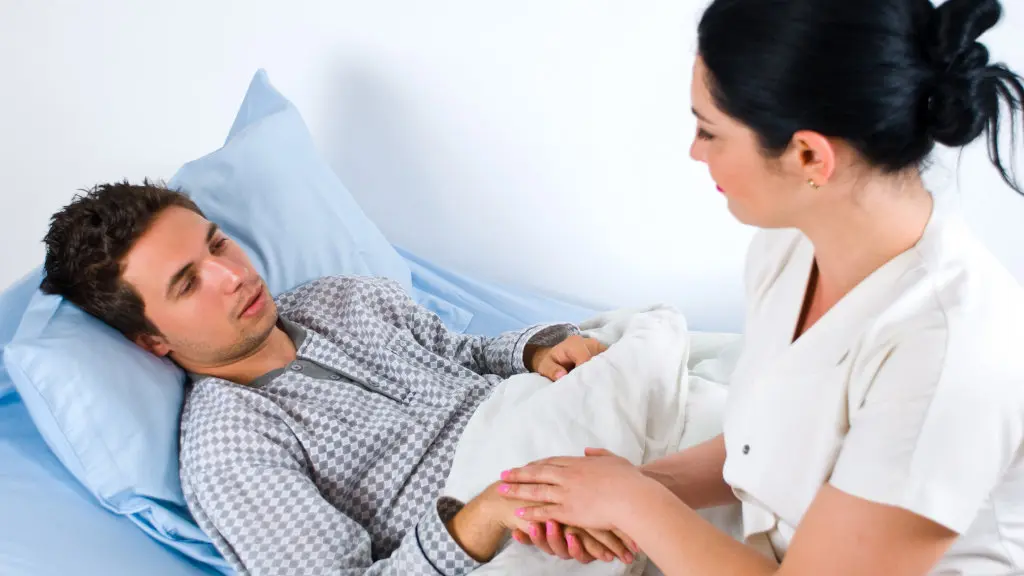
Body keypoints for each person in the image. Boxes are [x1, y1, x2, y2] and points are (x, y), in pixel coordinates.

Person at [498, 0, 1024, 574]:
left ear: (807, 155)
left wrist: (633, 500)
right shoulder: (791, 247)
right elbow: (770, 442)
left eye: (708, 131)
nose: (694, 152)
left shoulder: (950, 354)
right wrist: (621, 489)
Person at [39, 181, 636, 575]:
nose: (231, 274)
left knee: (649, 339)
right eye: (188, 283)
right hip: (520, 523)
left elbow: (464, 351)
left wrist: (535, 349)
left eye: (218, 243)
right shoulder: (232, 450)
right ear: (153, 341)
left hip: (568, 426)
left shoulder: (341, 298)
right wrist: (490, 511)